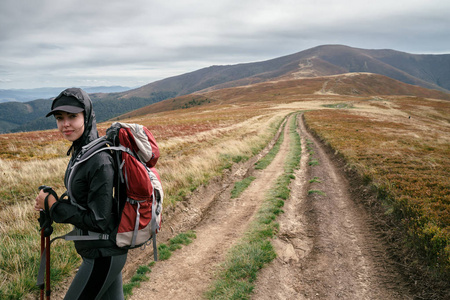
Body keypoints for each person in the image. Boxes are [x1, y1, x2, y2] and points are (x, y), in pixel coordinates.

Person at [34, 87, 127, 300]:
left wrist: (54, 206)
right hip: (102, 251)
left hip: (103, 254)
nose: (65, 124)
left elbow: (99, 221)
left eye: (72, 116)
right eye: (60, 118)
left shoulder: (98, 160)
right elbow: (85, 200)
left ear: (87, 115)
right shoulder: (82, 150)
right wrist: (53, 199)